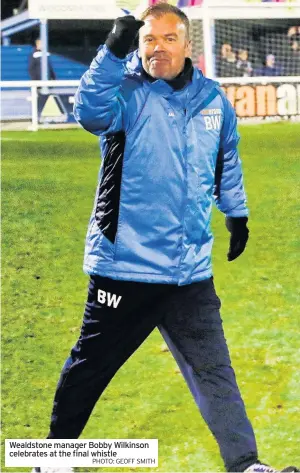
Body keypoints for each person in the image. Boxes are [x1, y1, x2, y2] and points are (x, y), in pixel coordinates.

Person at [33, 5, 299, 473]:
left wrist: (236, 213)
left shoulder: (213, 101)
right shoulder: (124, 94)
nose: (157, 48)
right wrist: (111, 53)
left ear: (186, 44)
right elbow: (88, 113)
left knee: (215, 371)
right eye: (147, 39)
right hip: (125, 266)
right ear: (137, 45)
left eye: (167, 39)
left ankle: (246, 464)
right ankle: (52, 459)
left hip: (189, 273)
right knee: (90, 368)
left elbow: (226, 161)